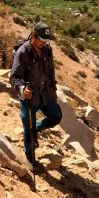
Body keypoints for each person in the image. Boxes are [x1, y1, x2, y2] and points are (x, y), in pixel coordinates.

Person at [10, 23, 62, 165]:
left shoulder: (46, 49)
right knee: (28, 126)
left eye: (46, 40)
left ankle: (35, 130)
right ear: (33, 36)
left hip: (45, 93)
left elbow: (51, 70)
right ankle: (30, 158)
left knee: (56, 116)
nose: (43, 43)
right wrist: (22, 89)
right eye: (41, 39)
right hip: (30, 96)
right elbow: (13, 77)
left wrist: (54, 89)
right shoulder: (23, 52)